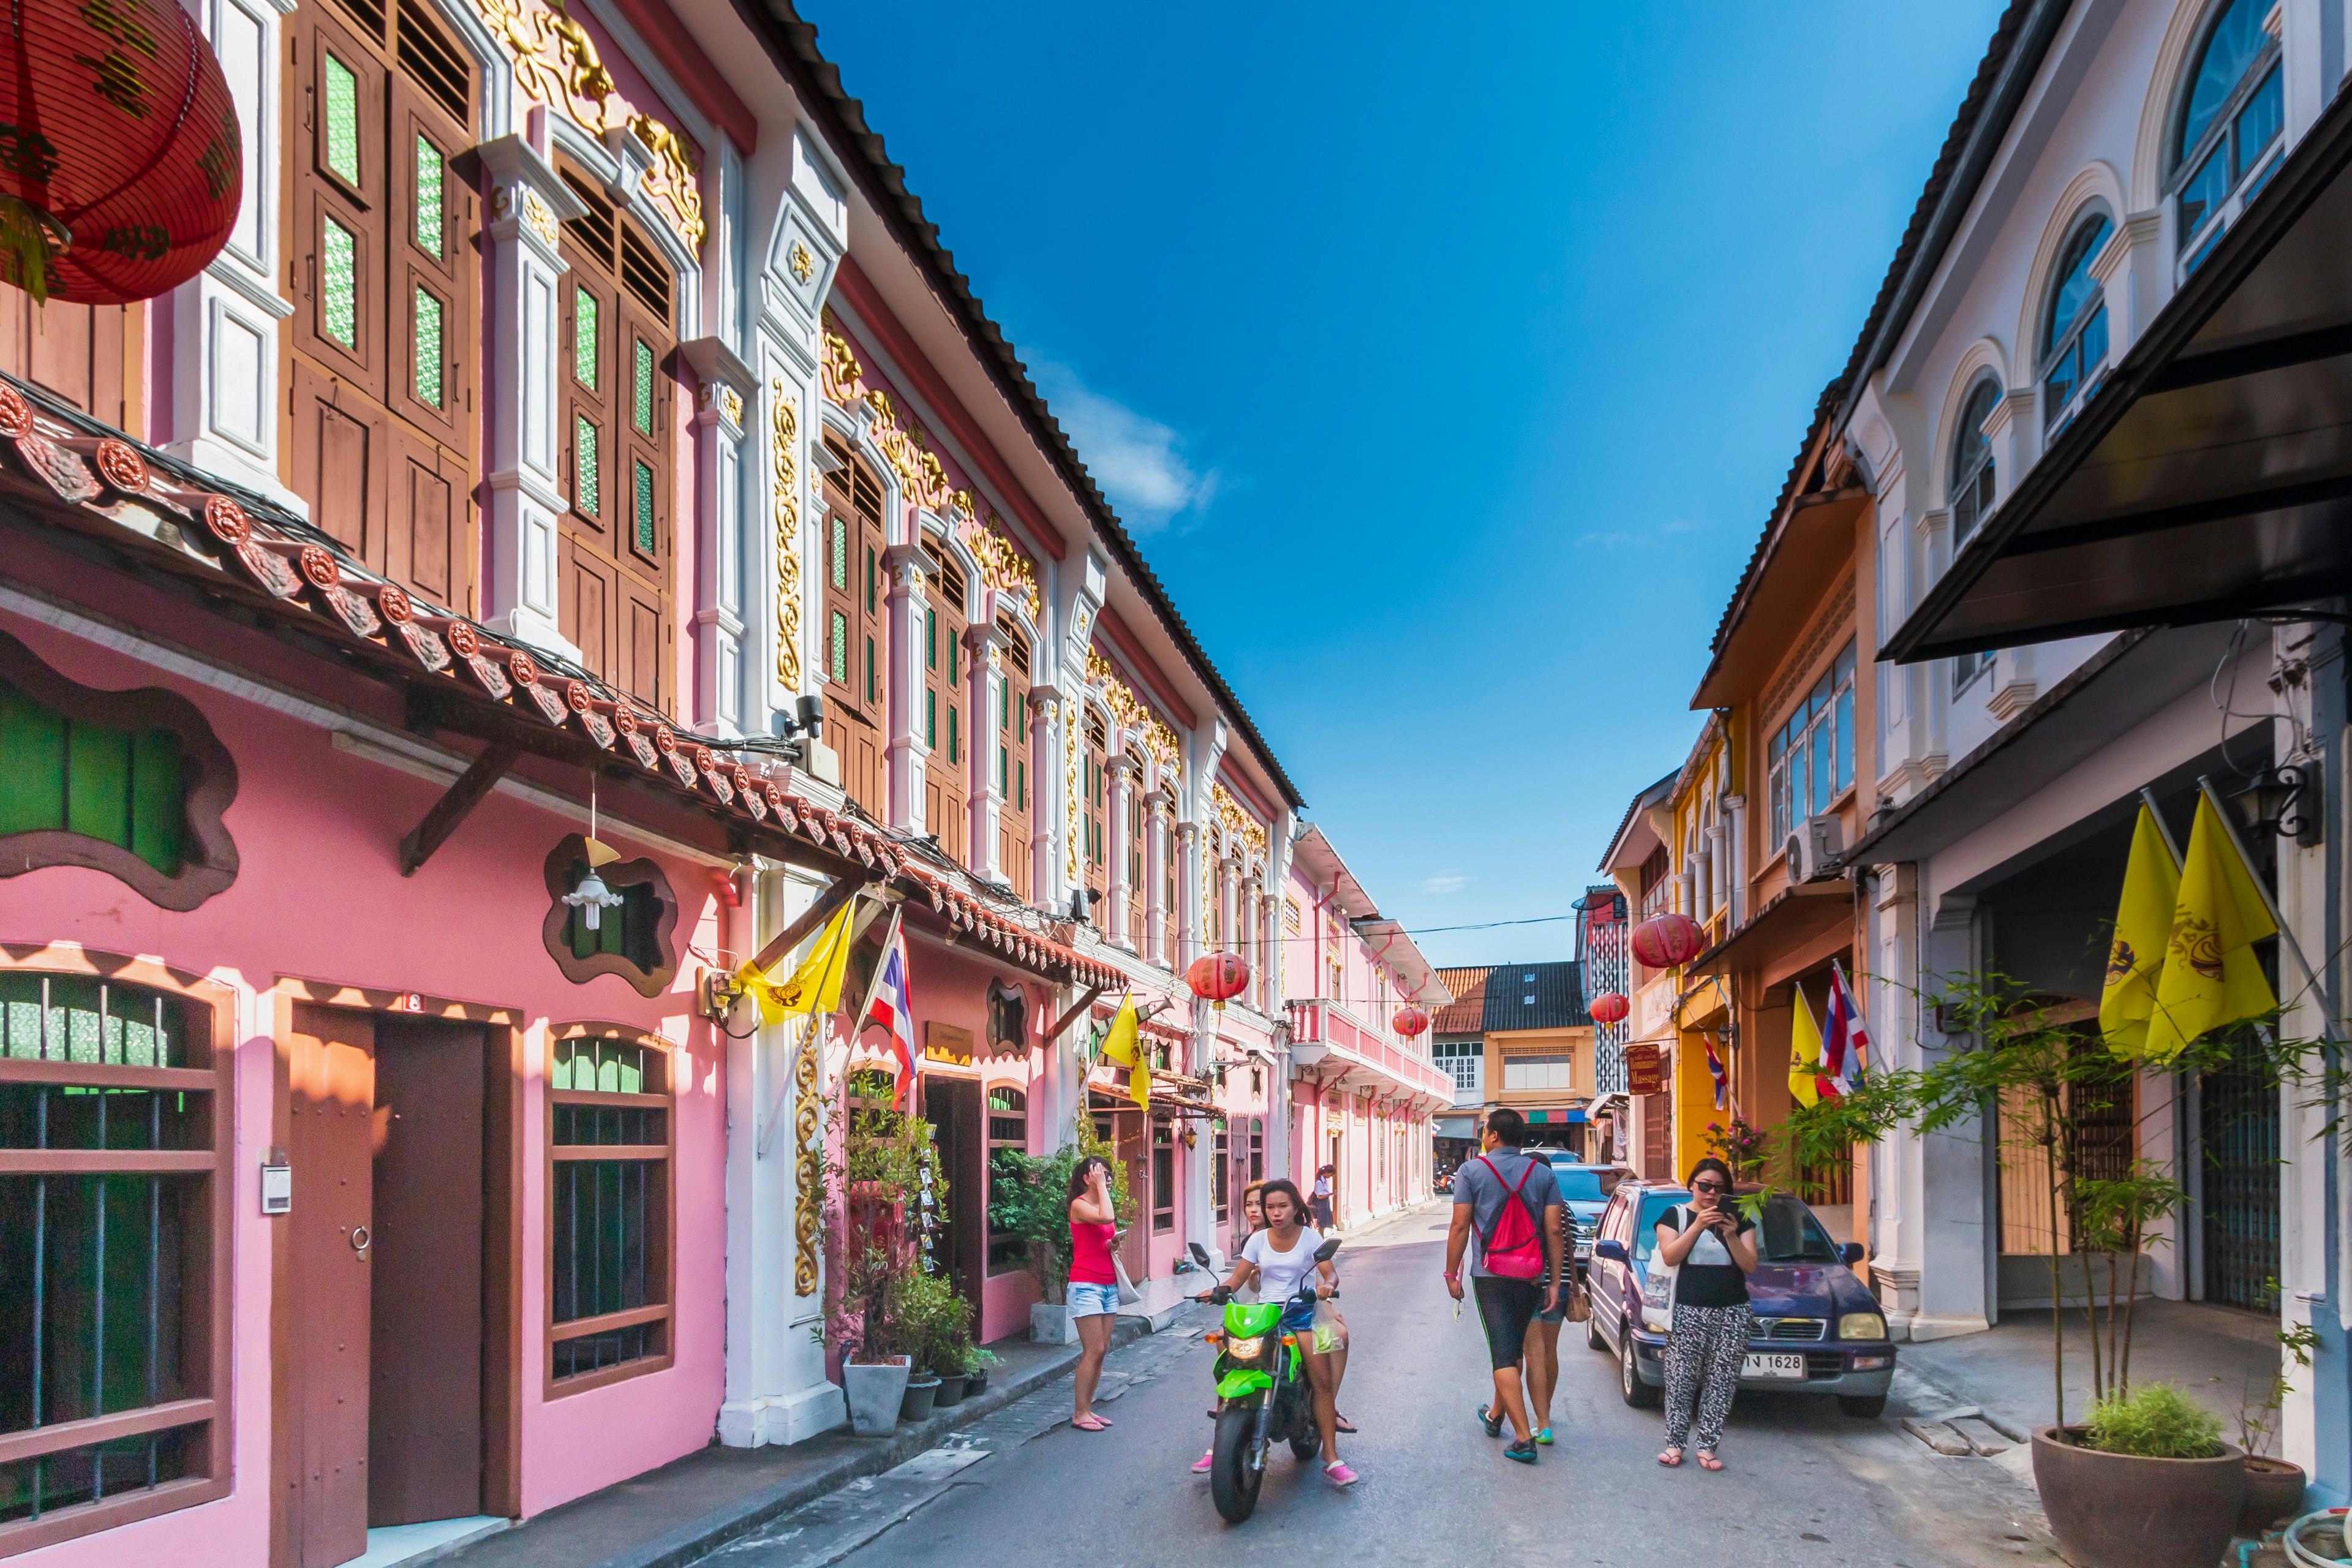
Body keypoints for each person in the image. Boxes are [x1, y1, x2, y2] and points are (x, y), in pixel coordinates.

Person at [1196, 1178, 1356, 1487]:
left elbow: (1330, 1273)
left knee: (1321, 1380)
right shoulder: (1257, 1240)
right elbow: (1238, 1279)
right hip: (1265, 1312)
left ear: (1296, 1207)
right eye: (1270, 1207)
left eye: (1283, 1206)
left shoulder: (1310, 1239)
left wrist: (1327, 1287)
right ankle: (1219, 1445)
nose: (1276, 1213)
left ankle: (1331, 1457)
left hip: (1301, 1311)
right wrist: (1217, 1290)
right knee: (1228, 1357)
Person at [1444, 1108, 1564, 1465]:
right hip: (1531, 1275)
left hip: (1491, 1274)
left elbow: (1460, 1226)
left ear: (1493, 1135)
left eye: (1484, 1130)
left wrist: (1451, 1274)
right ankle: (1496, 1416)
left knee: (1502, 1352)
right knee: (1513, 1349)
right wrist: (1555, 1281)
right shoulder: (1541, 1174)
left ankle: (1524, 1438)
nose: (1482, 1135)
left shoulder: (1471, 1171)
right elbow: (1554, 1230)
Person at [1653, 1156, 1758, 1471]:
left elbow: (1750, 1265)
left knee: (1722, 1380)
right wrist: (1698, 1225)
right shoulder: (1674, 1216)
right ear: (1692, 1185)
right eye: (1705, 1186)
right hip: (1687, 1310)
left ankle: (1708, 1447)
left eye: (1719, 1188)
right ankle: (1675, 1443)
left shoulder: (1741, 1218)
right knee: (1681, 1378)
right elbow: (1670, 1256)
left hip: (1733, 1311)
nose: (1711, 1193)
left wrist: (1730, 1235)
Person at [1066, 1156, 1120, 1433]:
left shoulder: (1101, 1203)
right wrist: (1102, 1188)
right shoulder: (1079, 1205)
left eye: (1108, 1174)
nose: (1107, 1178)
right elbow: (1107, 1217)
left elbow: (1104, 1231)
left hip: (1109, 1284)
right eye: (1101, 1173)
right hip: (1085, 1284)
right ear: (1087, 1177)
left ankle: (1088, 1408)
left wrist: (1113, 1243)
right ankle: (1079, 1413)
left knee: (1102, 1352)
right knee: (1093, 1350)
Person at [1523, 1194, 1575, 1446]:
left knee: (1533, 1353)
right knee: (1550, 1351)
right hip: (1562, 1286)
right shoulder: (1566, 1211)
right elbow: (1571, 1244)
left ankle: (1542, 1422)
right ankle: (1546, 1412)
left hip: (1534, 1283)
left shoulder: (1530, 1204)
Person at [1310, 1165, 1336, 1231]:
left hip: (1325, 1203)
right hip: (1321, 1204)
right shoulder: (1319, 1182)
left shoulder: (1324, 1181)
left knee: (1325, 1223)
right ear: (1327, 1172)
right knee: (1321, 1223)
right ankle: (1321, 1238)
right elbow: (1319, 1196)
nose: (1331, 1176)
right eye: (1330, 1174)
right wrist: (1330, 1194)